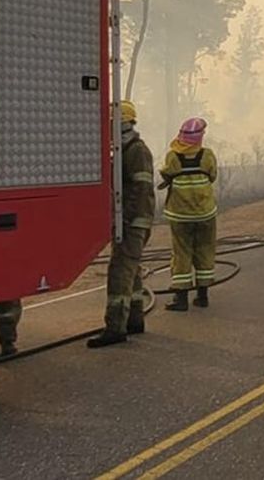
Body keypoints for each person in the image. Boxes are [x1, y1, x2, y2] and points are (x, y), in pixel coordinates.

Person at [88, 100, 155, 349]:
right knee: (132, 269)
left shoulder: (136, 151)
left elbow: (140, 188)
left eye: (111, 123)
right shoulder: (124, 149)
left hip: (133, 220)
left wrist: (125, 217)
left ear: (122, 122)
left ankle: (115, 327)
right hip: (131, 219)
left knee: (119, 270)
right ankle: (134, 319)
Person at [159, 118, 218, 311]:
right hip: (205, 214)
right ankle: (203, 297)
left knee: (181, 253)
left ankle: (181, 299)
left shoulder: (172, 156)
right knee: (205, 250)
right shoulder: (207, 155)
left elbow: (166, 173)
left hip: (180, 216)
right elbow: (212, 175)